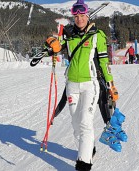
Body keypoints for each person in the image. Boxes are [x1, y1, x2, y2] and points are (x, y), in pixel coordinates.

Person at [45, 0, 117, 170]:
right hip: (72, 85)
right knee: (76, 125)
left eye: (82, 15)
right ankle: (89, 147)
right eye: (76, 16)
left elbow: (105, 62)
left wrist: (111, 85)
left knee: (85, 122)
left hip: (90, 85)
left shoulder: (97, 35)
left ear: (87, 15)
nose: (79, 19)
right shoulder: (68, 35)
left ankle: (84, 164)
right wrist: (50, 43)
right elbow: (56, 47)